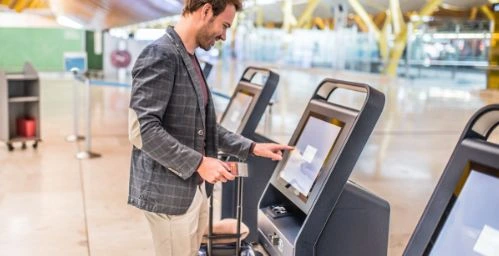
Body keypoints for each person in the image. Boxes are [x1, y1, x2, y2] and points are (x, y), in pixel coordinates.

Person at [127, 0, 293, 255]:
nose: (224, 36)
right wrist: (200, 163)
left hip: (191, 189)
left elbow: (203, 127)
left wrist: (253, 147)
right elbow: (142, 129)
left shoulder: (188, 56)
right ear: (206, 11)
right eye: (224, 25)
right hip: (168, 194)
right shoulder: (161, 54)